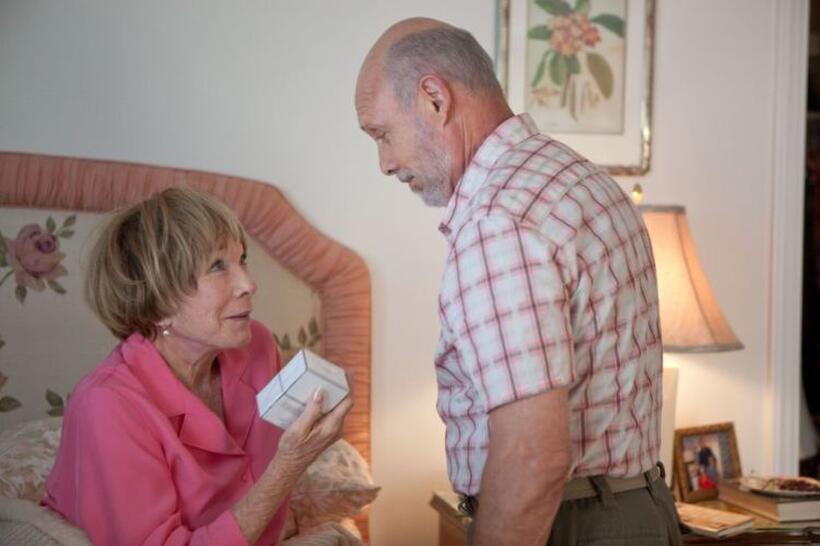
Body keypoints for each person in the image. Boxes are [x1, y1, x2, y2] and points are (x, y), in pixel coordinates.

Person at [355, 18, 681, 545]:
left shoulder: (497, 222)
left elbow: (532, 453)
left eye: (382, 134)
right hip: (641, 508)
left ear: (435, 98)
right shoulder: (581, 178)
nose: (385, 163)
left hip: (572, 524)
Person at [43, 187, 352, 545]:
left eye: (242, 259)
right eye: (218, 266)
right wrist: (288, 467)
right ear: (159, 299)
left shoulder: (258, 347)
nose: (248, 284)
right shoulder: (106, 405)